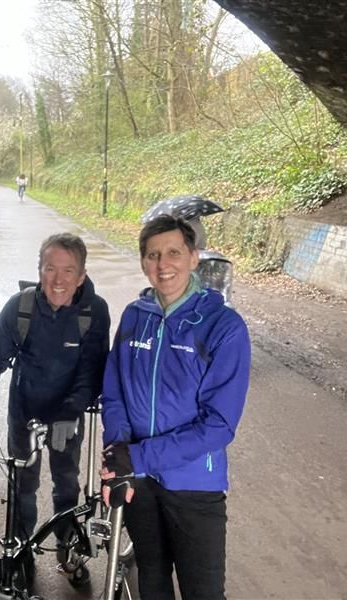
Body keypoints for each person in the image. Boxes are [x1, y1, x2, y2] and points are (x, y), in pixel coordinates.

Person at [100, 214, 251, 599]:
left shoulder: (223, 327)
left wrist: (138, 456)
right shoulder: (136, 316)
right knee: (151, 578)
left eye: (173, 253)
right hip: (139, 481)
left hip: (194, 484)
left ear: (194, 257)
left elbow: (219, 424)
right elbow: (115, 390)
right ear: (142, 262)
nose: (163, 264)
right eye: (152, 255)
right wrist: (118, 455)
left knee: (203, 591)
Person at [0, 233, 110, 562]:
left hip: (67, 414)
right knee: (22, 483)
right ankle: (22, 548)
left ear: (81, 276)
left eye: (68, 271)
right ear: (39, 270)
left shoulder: (93, 312)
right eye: (50, 269)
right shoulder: (20, 308)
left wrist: (72, 409)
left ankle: (67, 544)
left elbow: (92, 371)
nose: (58, 279)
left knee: (67, 481)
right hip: (24, 409)